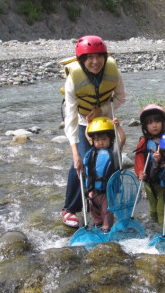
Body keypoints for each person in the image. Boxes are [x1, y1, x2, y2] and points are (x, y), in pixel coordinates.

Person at [61, 35, 127, 228]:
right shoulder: (73, 80)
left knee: (111, 158)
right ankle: (69, 209)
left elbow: (121, 97)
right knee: (81, 162)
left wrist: (101, 110)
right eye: (89, 58)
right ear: (81, 60)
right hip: (82, 121)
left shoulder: (113, 71)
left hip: (103, 118)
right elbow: (70, 118)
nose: (95, 62)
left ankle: (107, 199)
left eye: (99, 56)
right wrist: (75, 152)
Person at [83, 116, 126, 233]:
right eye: (97, 140)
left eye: (103, 139)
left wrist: (118, 127)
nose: (100, 142)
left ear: (110, 139)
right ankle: (97, 224)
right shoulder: (92, 151)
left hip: (107, 192)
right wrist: (88, 125)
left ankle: (107, 227)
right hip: (93, 190)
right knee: (93, 208)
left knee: (106, 211)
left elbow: (121, 139)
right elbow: (88, 136)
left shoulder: (113, 151)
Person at [134, 104, 165, 226]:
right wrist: (139, 173)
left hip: (164, 181)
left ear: (163, 122)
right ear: (145, 126)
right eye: (150, 122)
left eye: (157, 121)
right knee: (153, 210)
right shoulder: (144, 142)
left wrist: (161, 160)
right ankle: (156, 229)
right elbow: (139, 159)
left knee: (162, 210)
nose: (154, 125)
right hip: (149, 181)